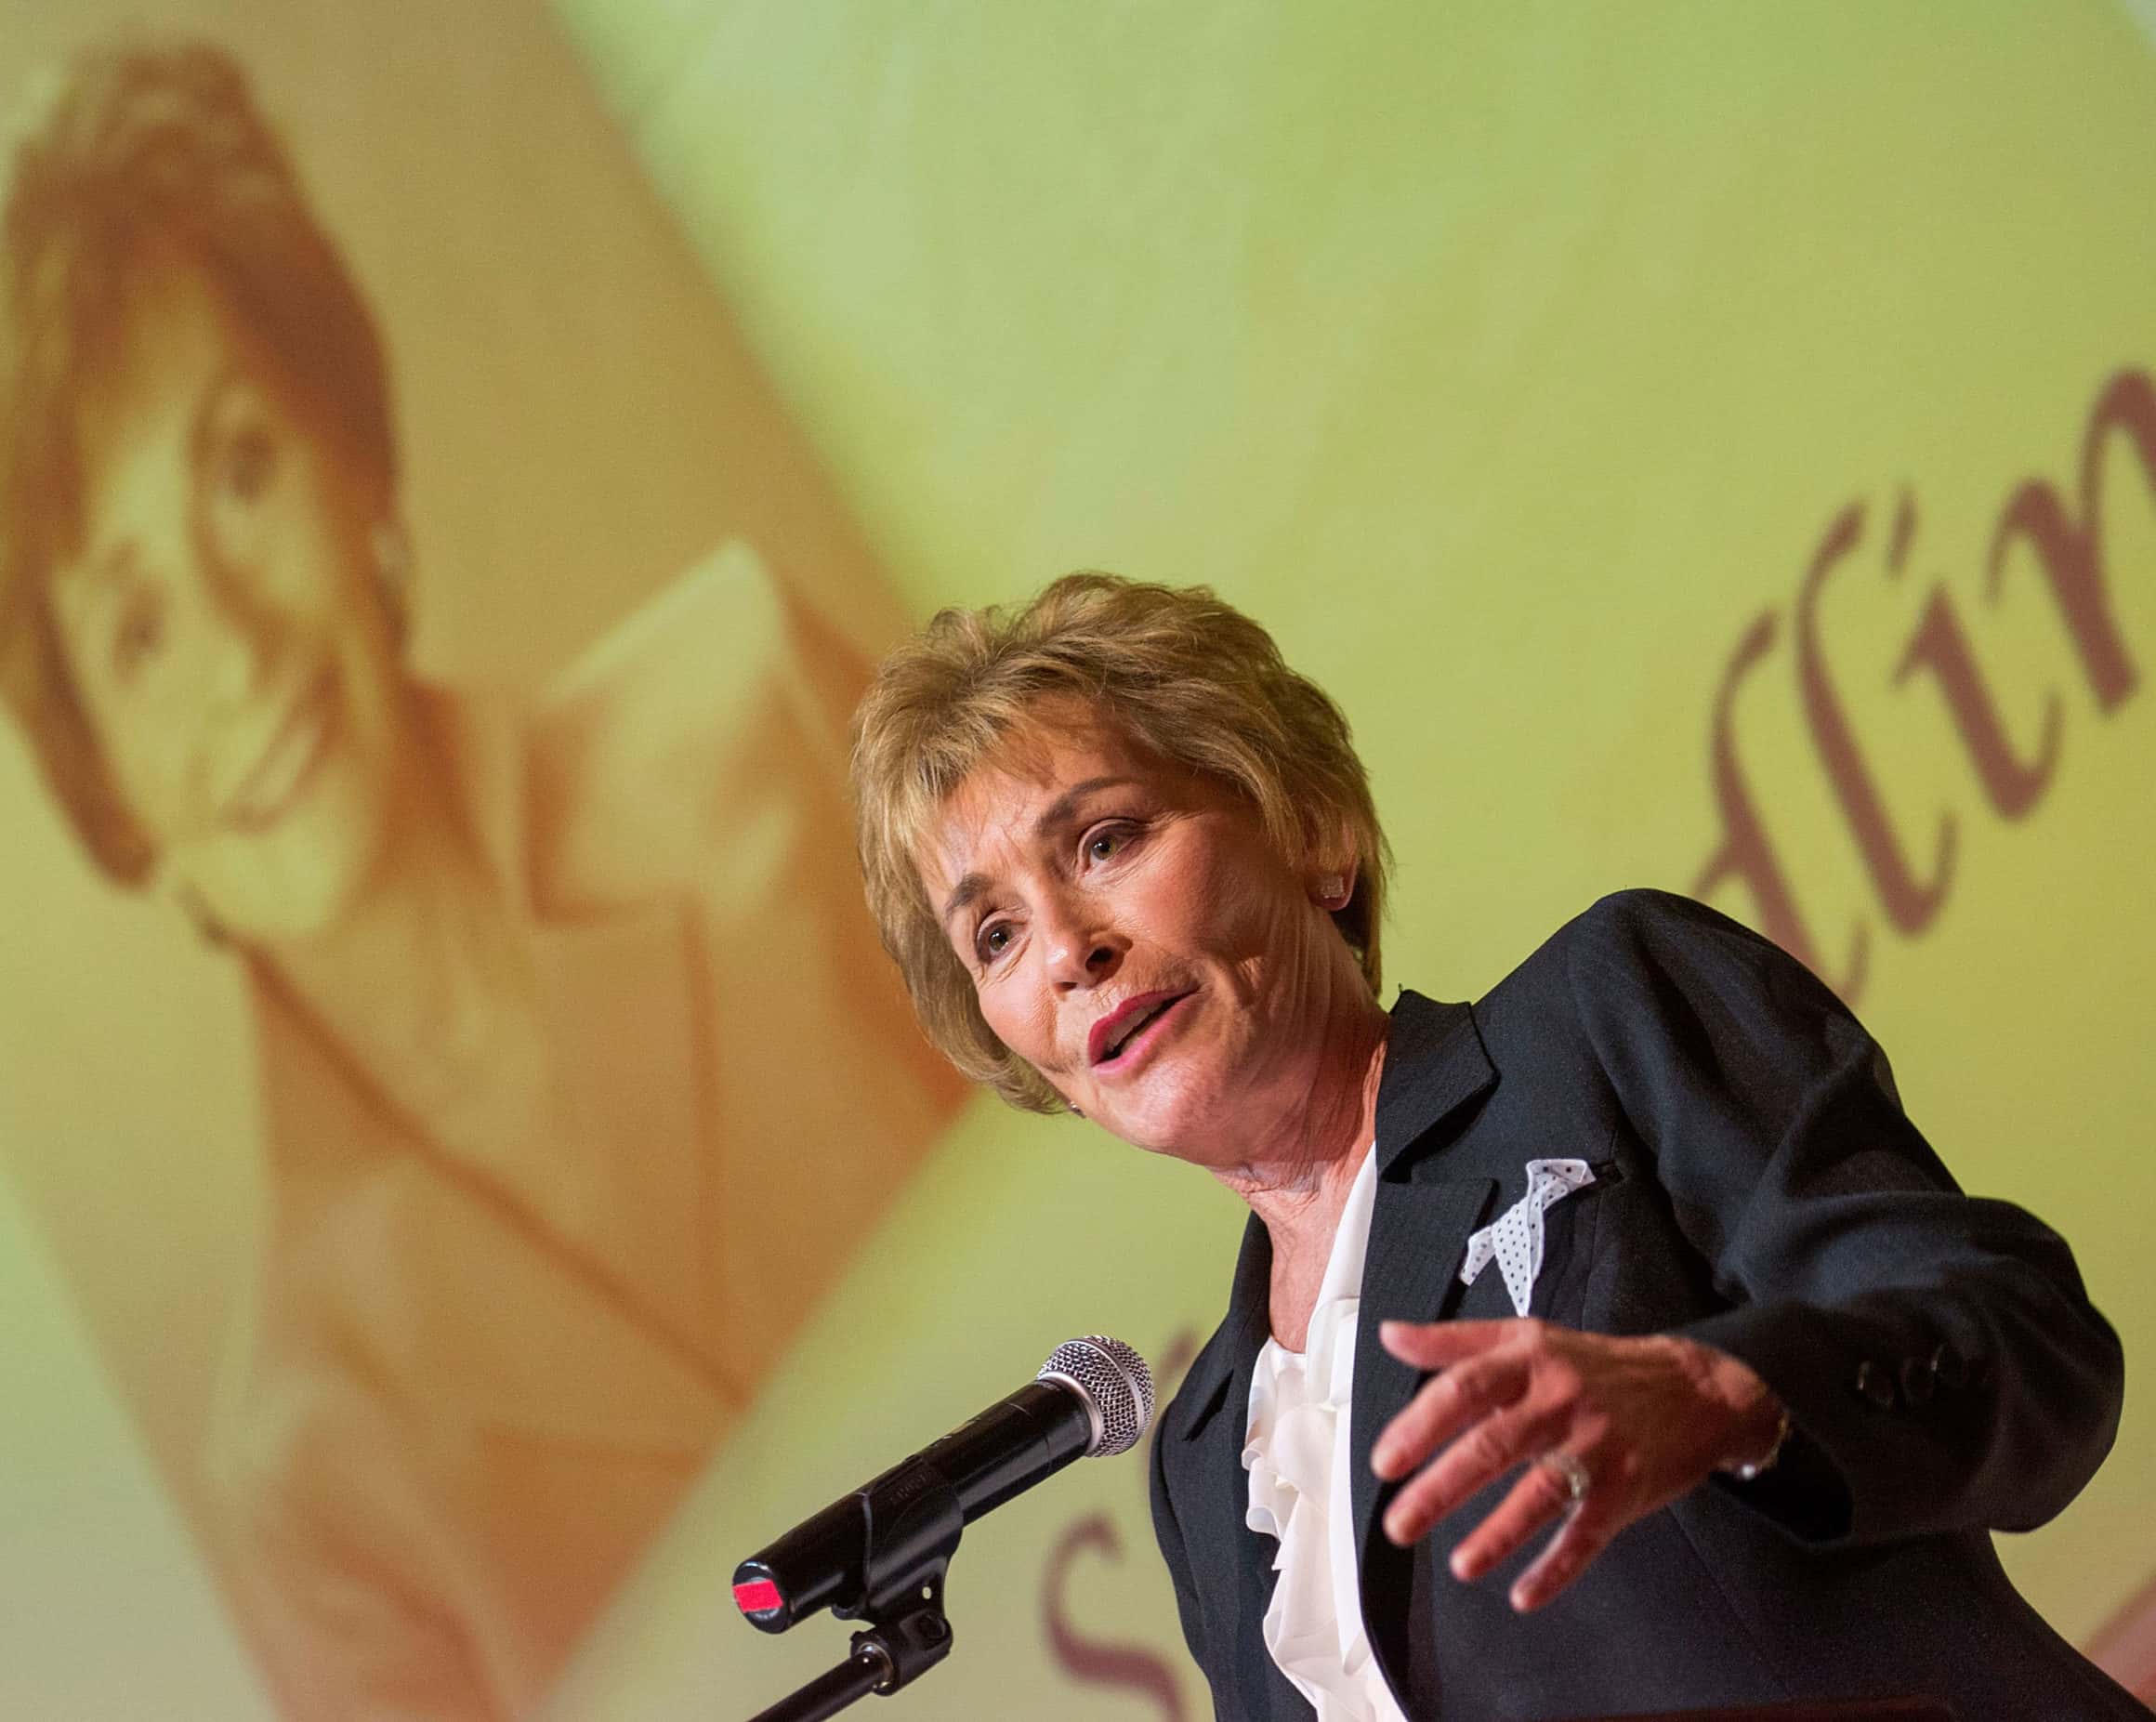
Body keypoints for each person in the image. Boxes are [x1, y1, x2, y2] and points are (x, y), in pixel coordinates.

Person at [0, 39, 960, 1721]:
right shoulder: (300, 1469)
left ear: (356, 463)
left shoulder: (757, 696)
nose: (235, 650)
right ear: (105, 789)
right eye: (134, 627)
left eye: (241, 471)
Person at [849, 572, 2142, 1720]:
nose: (1071, 947)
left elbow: (2023, 1337)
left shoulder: (1602, 1019)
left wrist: (1729, 1393)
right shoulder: (1204, 1462)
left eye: (1106, 839)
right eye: (997, 935)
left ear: (1316, 835)